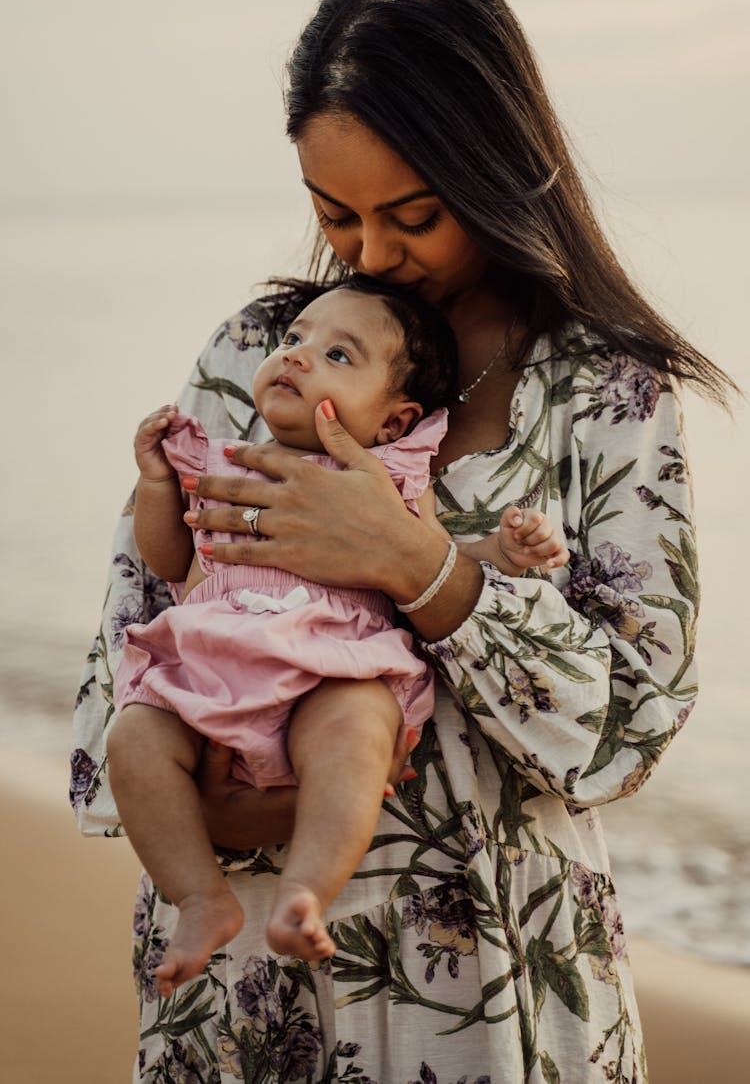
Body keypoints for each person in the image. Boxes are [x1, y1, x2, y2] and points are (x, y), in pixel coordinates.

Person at [70, 0, 736, 1079]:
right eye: (336, 215)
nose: (371, 256)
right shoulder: (257, 353)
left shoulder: (607, 390)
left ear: (498, 171)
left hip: (492, 981)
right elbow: (126, 658)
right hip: (243, 975)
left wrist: (418, 564)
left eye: (412, 216)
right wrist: (228, 822)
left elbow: (628, 730)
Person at [106, 275, 570, 993]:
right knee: (133, 734)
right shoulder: (225, 461)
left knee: (359, 727)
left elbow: (432, 552)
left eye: (338, 356)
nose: (297, 355)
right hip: (213, 671)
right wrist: (161, 487)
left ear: (393, 421)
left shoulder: (385, 475)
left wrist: (504, 554)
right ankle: (200, 895)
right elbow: (170, 560)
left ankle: (306, 890)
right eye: (294, 340)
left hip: (335, 663)